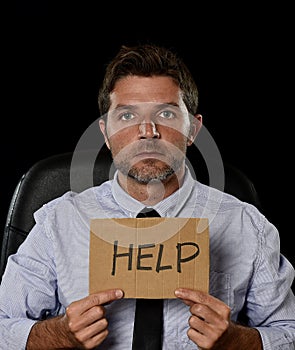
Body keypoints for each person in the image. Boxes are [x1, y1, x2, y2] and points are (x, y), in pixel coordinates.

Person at [0, 43, 294, 350]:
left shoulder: (246, 225)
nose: (147, 131)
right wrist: (58, 335)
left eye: (166, 113)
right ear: (105, 132)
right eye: (127, 115)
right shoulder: (58, 222)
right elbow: (3, 326)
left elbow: (288, 331)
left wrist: (239, 341)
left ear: (193, 129)